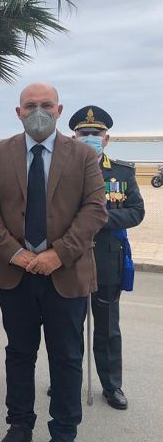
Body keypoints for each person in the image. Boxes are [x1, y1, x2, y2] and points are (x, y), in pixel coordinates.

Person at [0, 82, 107, 442]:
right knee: (19, 354)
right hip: (13, 271)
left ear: (59, 109)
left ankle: (64, 435)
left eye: (46, 105)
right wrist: (14, 252)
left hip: (64, 273)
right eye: (30, 105)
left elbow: (95, 210)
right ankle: (19, 427)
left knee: (66, 357)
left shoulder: (82, 154)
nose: (38, 111)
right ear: (18, 112)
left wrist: (57, 254)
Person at [69, 105, 144, 410]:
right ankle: (68, 379)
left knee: (108, 327)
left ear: (106, 138)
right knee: (69, 325)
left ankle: (111, 385)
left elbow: (136, 212)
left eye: (95, 133)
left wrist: (99, 219)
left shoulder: (122, 172)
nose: (90, 137)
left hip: (107, 258)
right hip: (71, 257)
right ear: (73, 137)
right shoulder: (61, 170)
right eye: (83, 133)